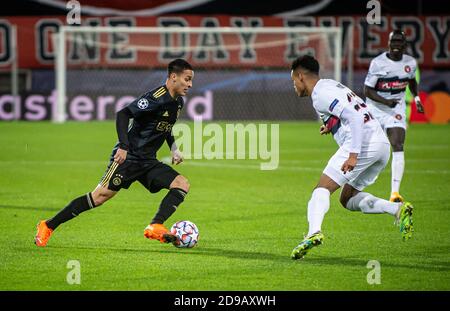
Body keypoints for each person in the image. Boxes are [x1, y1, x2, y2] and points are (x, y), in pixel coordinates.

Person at [34, 59, 194, 247]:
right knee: (99, 197)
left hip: (148, 161)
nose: (190, 84)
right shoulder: (155, 97)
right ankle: (48, 225)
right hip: (128, 158)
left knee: (181, 184)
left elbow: (165, 128)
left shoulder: (177, 103)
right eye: (187, 79)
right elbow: (123, 114)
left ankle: (156, 225)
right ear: (174, 77)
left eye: (191, 80)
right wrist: (123, 147)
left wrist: (174, 148)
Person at [289, 55, 414, 260]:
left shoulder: (320, 94)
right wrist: (330, 126)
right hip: (381, 145)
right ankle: (397, 210)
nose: (294, 85)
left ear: (301, 76)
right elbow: (352, 110)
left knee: (321, 189)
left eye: (293, 80)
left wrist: (353, 155)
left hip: (362, 144)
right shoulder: (330, 85)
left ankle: (313, 233)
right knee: (347, 198)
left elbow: (354, 117)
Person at [364, 29, 424, 203]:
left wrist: (417, 98)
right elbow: (367, 90)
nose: (396, 45)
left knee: (398, 144)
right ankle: (363, 178)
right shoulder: (378, 63)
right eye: (393, 42)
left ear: (405, 45)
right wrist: (385, 101)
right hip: (375, 108)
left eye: (399, 42)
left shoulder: (410, 63)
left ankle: (394, 193)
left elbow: (412, 82)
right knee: (369, 147)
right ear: (388, 44)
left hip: (395, 110)